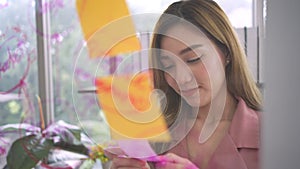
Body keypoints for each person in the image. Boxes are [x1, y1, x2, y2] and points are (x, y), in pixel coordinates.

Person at [105, 0, 262, 168]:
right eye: (169, 65)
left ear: (227, 52)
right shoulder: (153, 138)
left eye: (193, 59)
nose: (181, 78)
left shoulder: (275, 133)